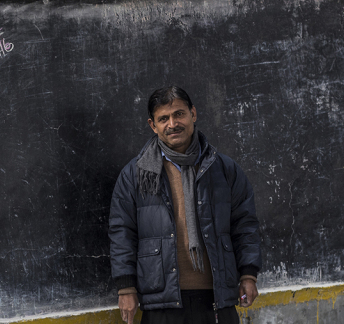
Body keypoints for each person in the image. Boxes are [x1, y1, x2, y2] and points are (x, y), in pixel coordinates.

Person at [109, 86, 261, 324]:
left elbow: (245, 225)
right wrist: (125, 289)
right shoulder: (135, 175)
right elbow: (122, 233)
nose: (173, 124)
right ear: (153, 125)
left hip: (216, 298)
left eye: (179, 114)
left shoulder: (223, 169)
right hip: (162, 300)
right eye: (163, 119)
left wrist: (249, 274)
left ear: (193, 114)